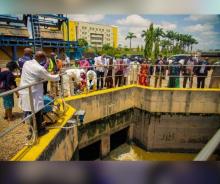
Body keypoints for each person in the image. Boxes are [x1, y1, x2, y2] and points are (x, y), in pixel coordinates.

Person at [19, 51, 60, 138]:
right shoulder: (38, 68)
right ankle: (39, 131)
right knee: (37, 112)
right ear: (42, 59)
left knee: (30, 112)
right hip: (33, 93)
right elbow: (50, 77)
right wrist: (58, 76)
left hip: (25, 91)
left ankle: (32, 130)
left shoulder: (27, 63)